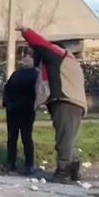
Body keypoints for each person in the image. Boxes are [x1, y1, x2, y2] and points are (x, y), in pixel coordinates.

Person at [19, 27, 87, 182]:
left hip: (66, 101)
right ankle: (74, 169)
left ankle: (63, 172)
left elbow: (42, 45)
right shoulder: (67, 61)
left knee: (63, 139)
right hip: (73, 102)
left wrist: (26, 32)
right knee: (68, 138)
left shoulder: (58, 55)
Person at [2, 54, 38, 174]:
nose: (25, 59)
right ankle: (10, 163)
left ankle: (29, 165)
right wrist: (7, 103)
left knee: (26, 138)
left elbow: (36, 92)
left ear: (33, 60)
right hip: (13, 110)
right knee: (12, 138)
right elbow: (7, 88)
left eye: (28, 57)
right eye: (24, 57)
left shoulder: (35, 75)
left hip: (26, 111)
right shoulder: (16, 74)